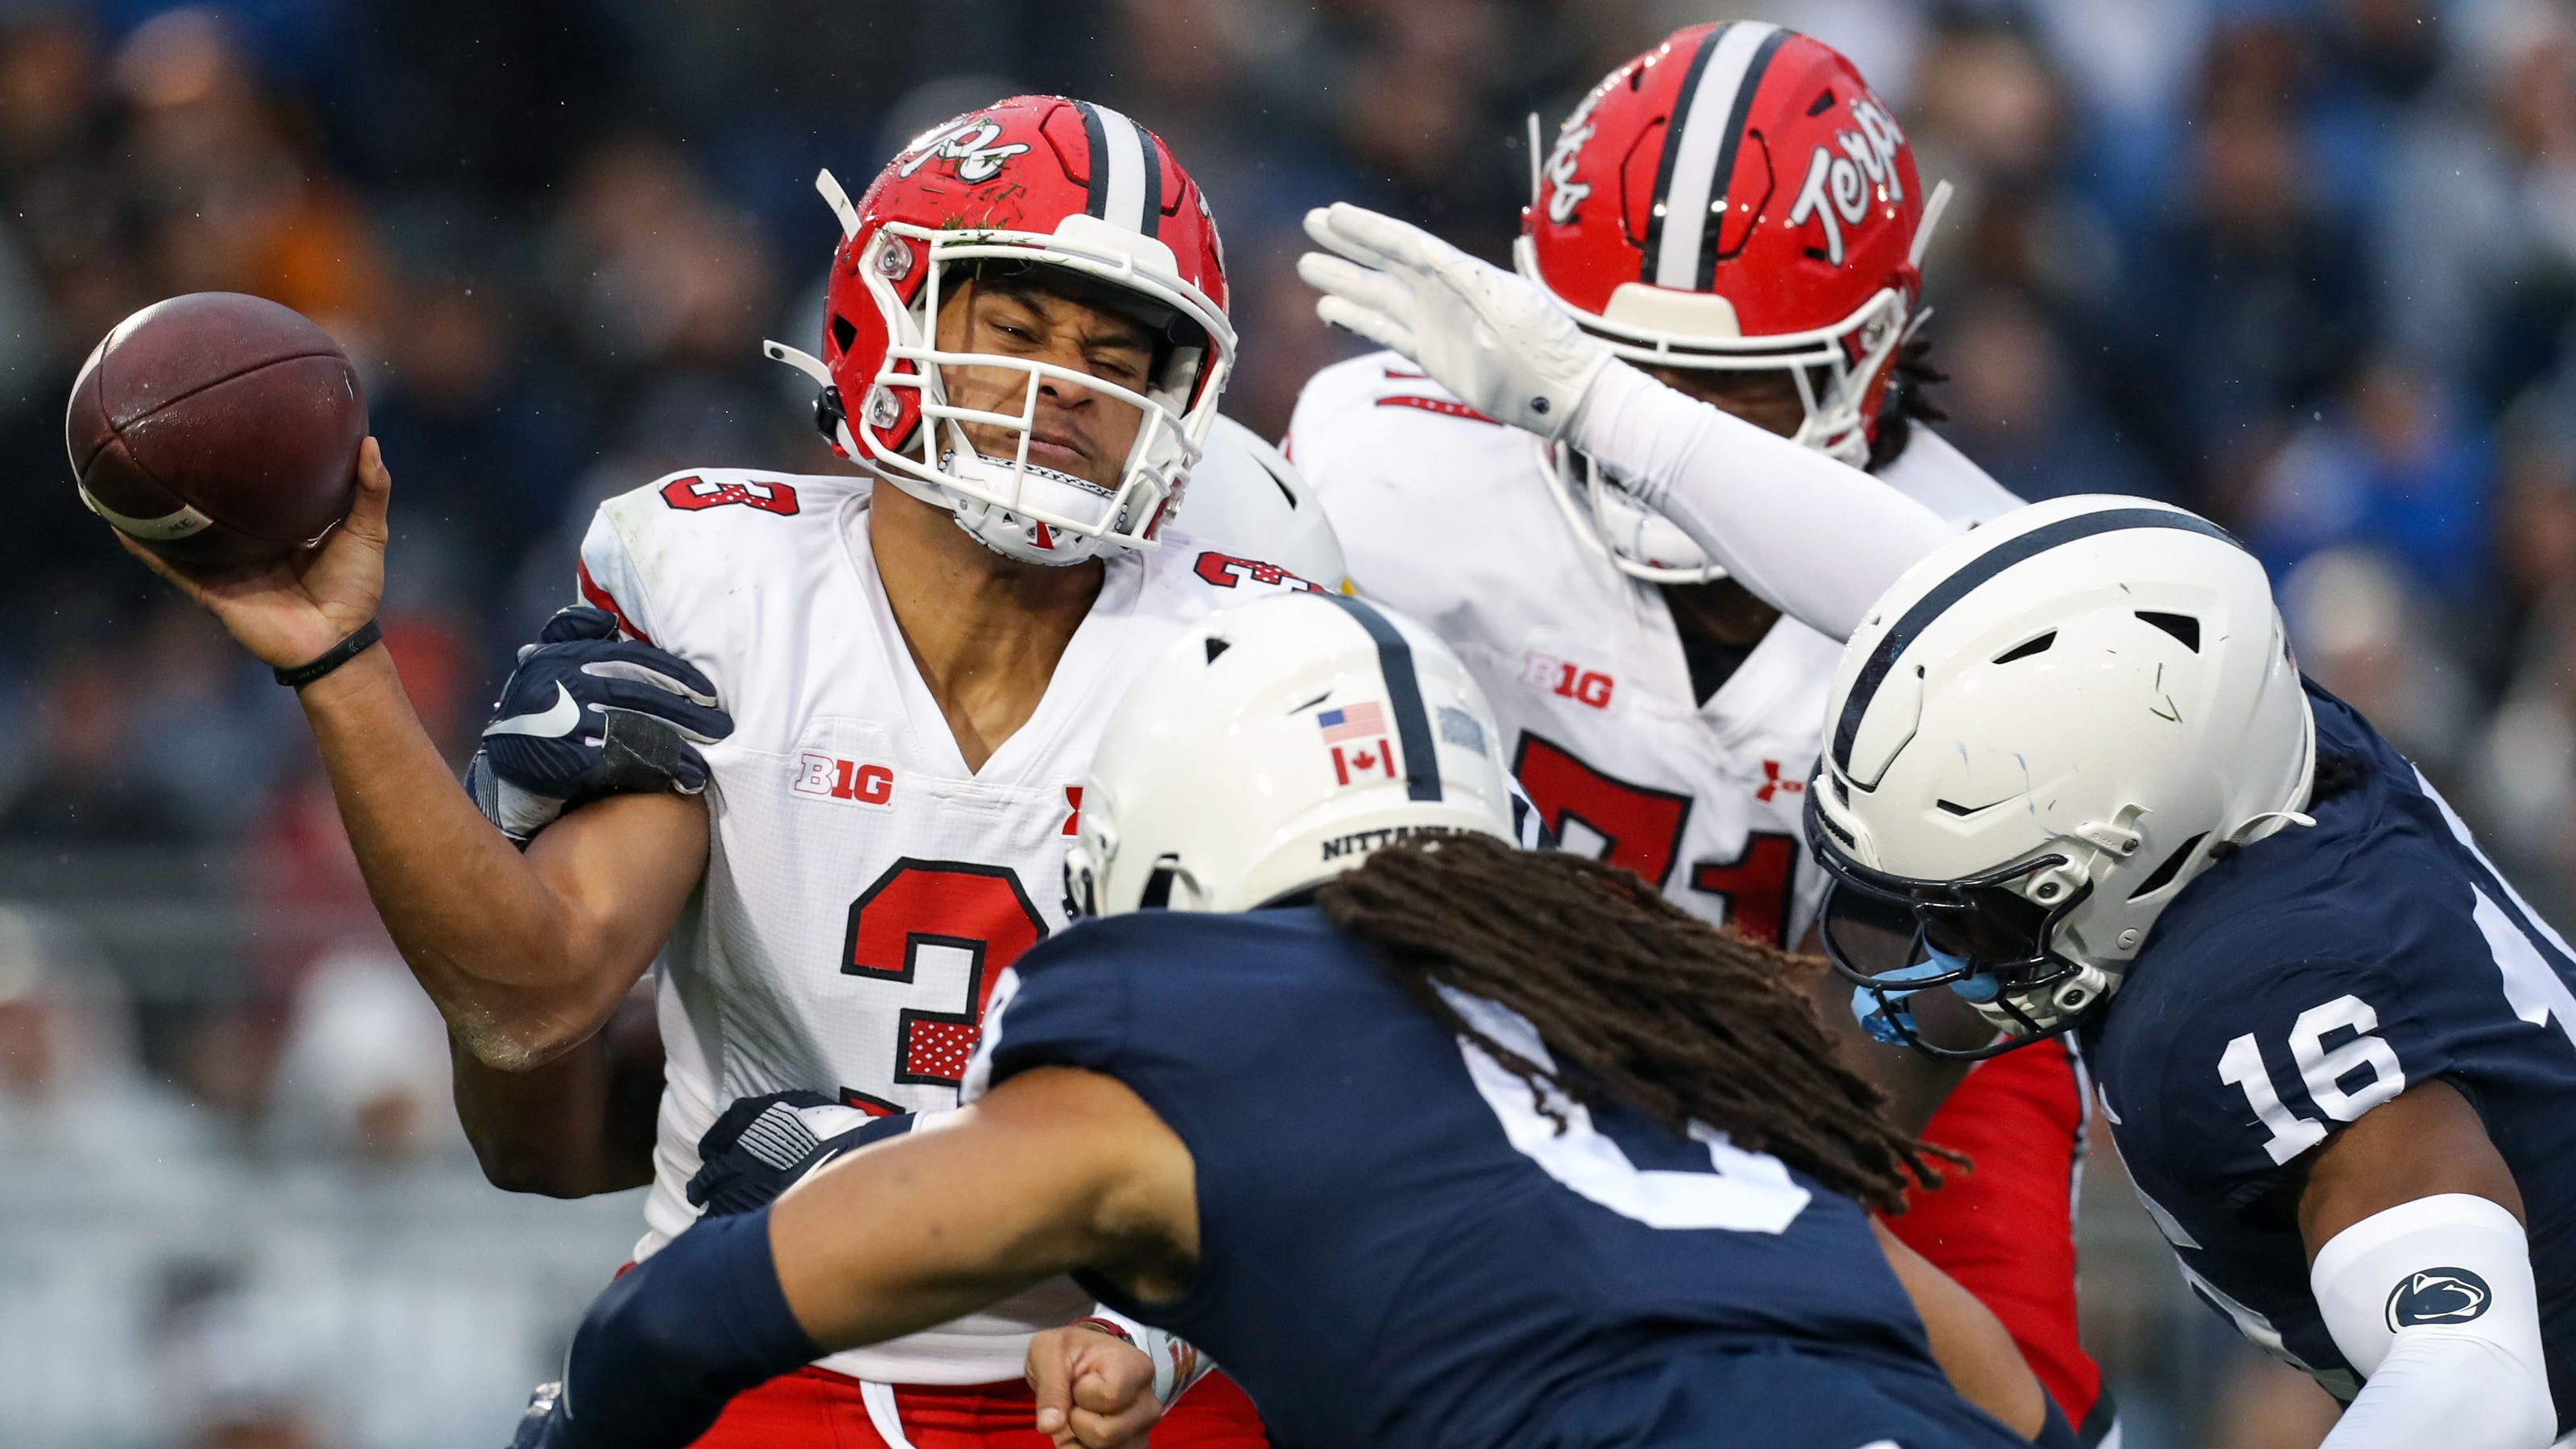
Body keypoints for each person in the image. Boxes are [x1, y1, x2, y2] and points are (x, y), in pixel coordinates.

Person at [120, 94, 1311, 1449]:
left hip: (1133, 1374)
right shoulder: (730, 587)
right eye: (1020, 330)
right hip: (768, 1351)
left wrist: (1066, 1268)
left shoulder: (1252, 652)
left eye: (1116, 355)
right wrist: (344, 668)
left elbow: (1331, 1104)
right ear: (886, 312)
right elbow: (532, 1018)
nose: (1071, 390)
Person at [506, 589, 2060, 1449]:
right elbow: (1998, 1382)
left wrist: (585, 1419)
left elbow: (717, 1305)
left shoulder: (1209, 1025)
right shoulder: (1630, 1052)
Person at [1285, 24, 2109, 1439]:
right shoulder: (1390, 455)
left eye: (1733, 385)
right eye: (1610, 366)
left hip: (1885, 1033)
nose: (1659, 436)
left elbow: (1930, 1006)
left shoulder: (1982, 573)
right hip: (1467, 1009)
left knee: (2007, 1405)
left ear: (1871, 360)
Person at [1801, 494, 2576, 1448]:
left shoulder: (2246, 1003)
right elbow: (2031, 621)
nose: (1943, 944)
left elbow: (2476, 1383)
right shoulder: (2272, 749)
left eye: (1982, 903)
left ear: (2125, 842)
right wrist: (1606, 412)